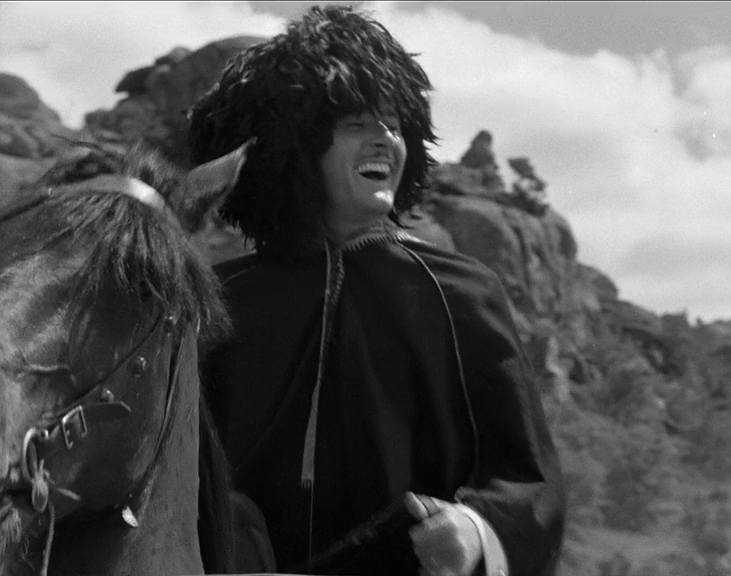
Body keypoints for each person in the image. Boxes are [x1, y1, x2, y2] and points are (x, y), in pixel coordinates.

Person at [189, 5, 566, 576]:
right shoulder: (220, 299)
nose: (385, 139)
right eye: (357, 124)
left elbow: (529, 479)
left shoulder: (460, 293)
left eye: (393, 124)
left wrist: (475, 529)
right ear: (292, 145)